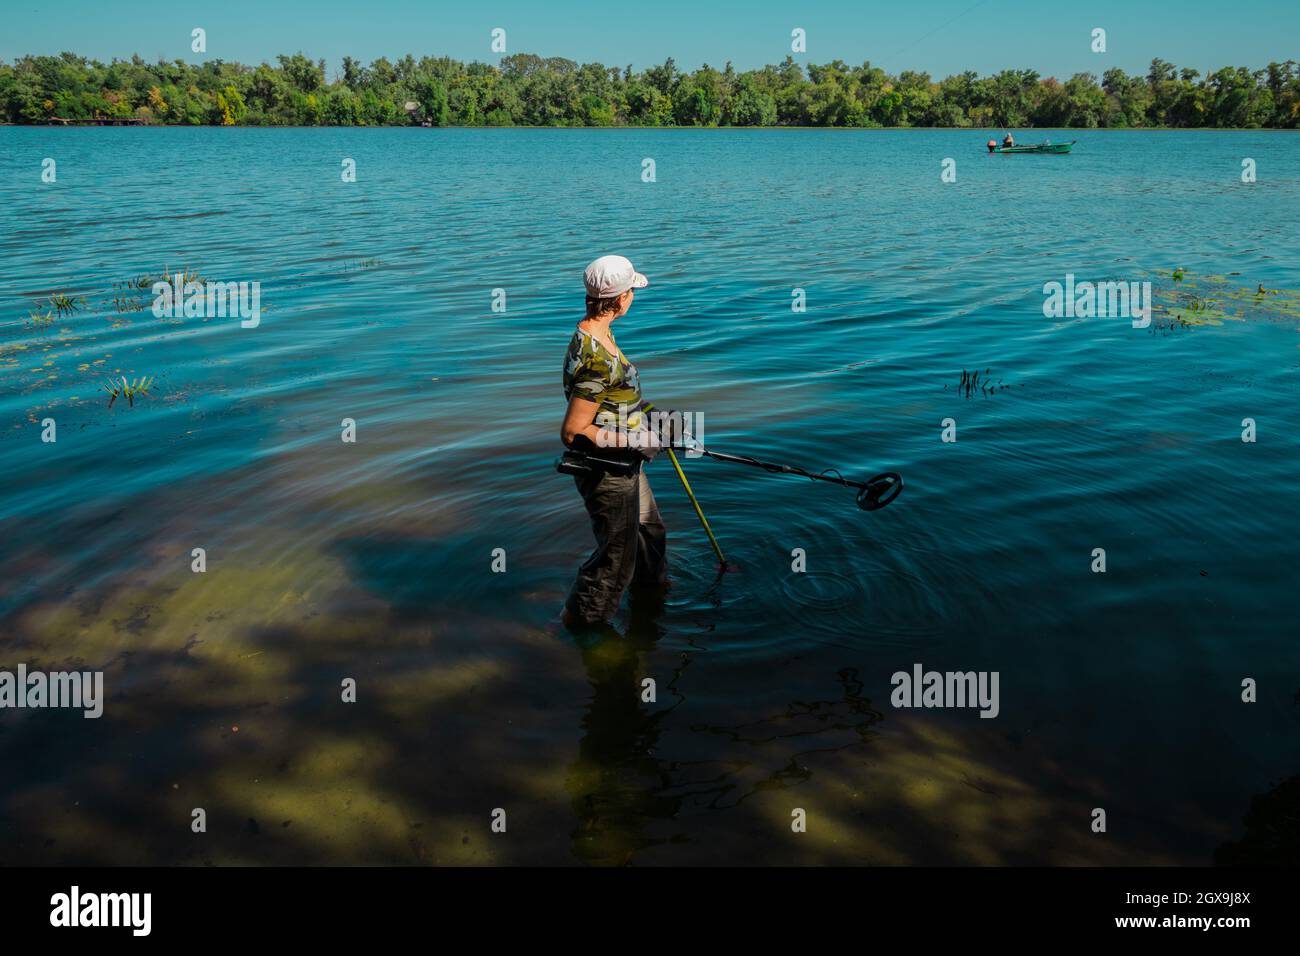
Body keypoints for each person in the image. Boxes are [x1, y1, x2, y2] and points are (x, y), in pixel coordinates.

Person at [560, 255, 671, 628]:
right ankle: (582, 627)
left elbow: (613, 398)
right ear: (621, 299)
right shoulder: (595, 357)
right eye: (632, 292)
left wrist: (653, 416)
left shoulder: (599, 333)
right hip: (607, 470)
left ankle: (652, 596)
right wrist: (633, 440)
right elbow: (575, 431)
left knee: (649, 534)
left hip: (624, 460)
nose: (632, 299)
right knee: (615, 557)